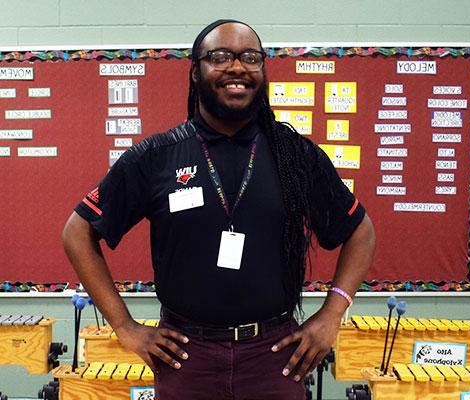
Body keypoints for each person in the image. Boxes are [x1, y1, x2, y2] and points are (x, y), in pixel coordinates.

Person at [62, 19, 375, 399]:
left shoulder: (294, 155)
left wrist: (331, 315)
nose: (238, 68)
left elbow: (361, 230)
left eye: (250, 57)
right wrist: (125, 327)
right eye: (221, 57)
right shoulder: (158, 156)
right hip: (185, 358)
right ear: (196, 72)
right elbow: (78, 231)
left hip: (275, 357)